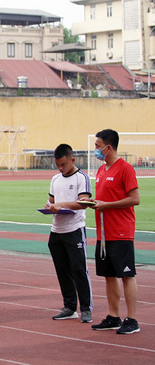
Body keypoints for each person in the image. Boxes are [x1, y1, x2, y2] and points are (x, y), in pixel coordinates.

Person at [86, 129, 140, 334]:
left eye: (98, 146)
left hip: (121, 232)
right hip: (104, 234)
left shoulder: (125, 168)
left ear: (108, 147)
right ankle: (113, 316)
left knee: (126, 275)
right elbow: (103, 200)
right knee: (109, 275)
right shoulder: (101, 171)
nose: (95, 150)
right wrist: (93, 203)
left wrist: (106, 205)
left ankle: (132, 319)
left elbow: (135, 199)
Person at [45, 144, 93, 323]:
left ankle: (86, 308)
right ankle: (69, 306)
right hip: (56, 231)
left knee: (79, 269)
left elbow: (85, 202)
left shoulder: (81, 178)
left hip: (74, 229)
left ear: (72, 160)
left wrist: (62, 205)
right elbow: (51, 200)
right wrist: (49, 207)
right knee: (62, 271)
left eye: (63, 164)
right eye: (57, 164)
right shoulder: (55, 179)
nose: (60, 168)